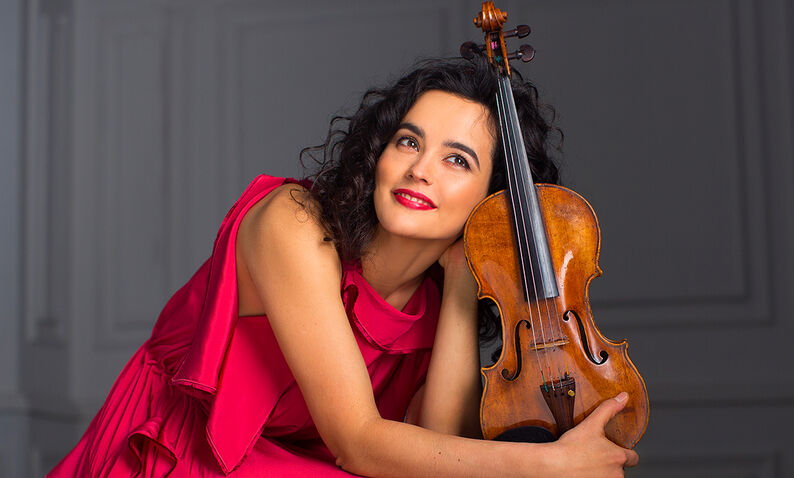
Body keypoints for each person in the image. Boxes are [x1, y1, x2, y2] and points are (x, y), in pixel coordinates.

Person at [49, 56, 639, 477]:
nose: (419, 169)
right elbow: (358, 442)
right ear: (378, 153)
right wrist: (547, 465)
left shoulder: (435, 301)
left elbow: (436, 452)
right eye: (408, 142)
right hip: (184, 448)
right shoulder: (292, 222)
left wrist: (466, 277)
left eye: (457, 160)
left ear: (491, 200)